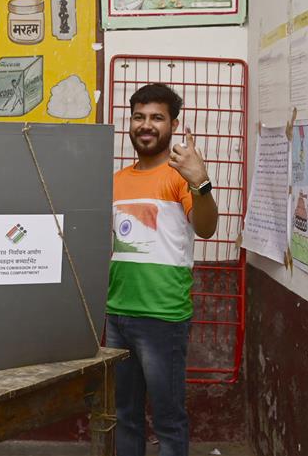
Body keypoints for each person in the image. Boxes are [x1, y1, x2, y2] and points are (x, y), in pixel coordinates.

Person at [106, 83, 218, 456]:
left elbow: (206, 227)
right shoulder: (117, 181)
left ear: (173, 124)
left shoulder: (180, 178)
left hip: (162, 318)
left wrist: (200, 182)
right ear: (131, 123)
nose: (146, 125)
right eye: (139, 117)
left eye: (157, 117)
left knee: (168, 419)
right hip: (117, 316)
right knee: (124, 415)